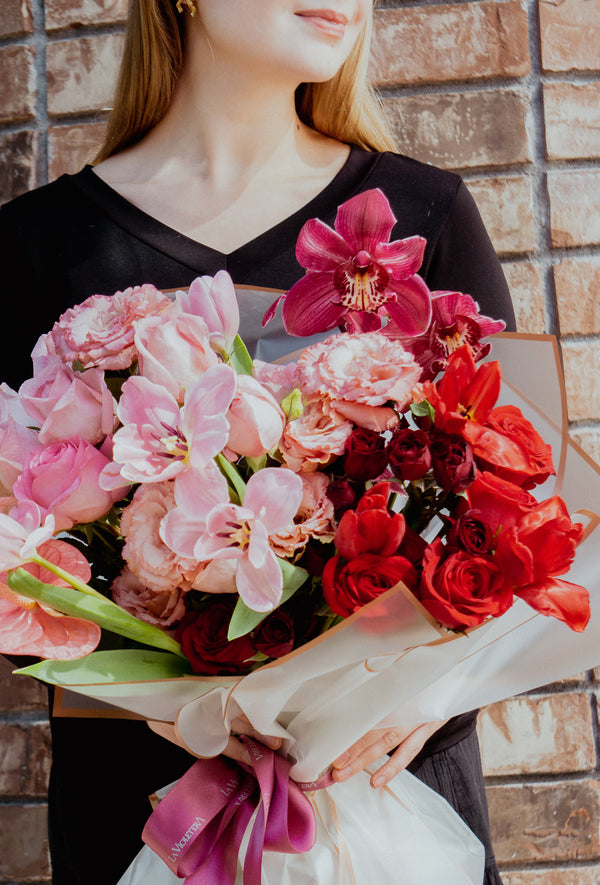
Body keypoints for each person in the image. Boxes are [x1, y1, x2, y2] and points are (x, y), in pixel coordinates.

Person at [0, 1, 515, 882]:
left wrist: (439, 690)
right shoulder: (37, 244)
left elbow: (520, 517)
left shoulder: (423, 210)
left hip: (390, 796)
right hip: (145, 800)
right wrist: (154, 692)